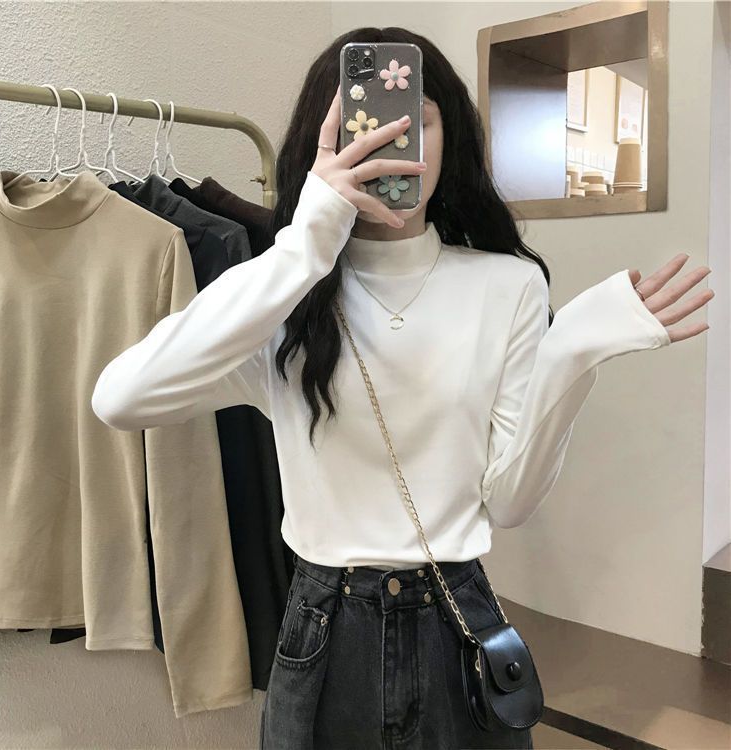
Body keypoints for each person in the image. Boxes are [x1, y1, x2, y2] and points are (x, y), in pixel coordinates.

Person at [91, 27, 713, 750]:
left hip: (456, 615)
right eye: (366, 122)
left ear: (452, 140)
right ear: (322, 143)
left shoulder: (508, 286)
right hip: (324, 627)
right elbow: (121, 398)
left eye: (419, 120)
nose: (393, 140)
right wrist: (306, 244)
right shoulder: (280, 297)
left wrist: (573, 350)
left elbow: (509, 502)